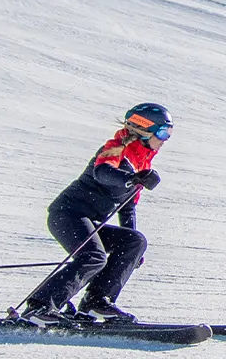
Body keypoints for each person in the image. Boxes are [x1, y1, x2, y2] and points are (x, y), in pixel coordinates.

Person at [15, 103, 170, 324]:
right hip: (67, 215)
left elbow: (127, 207)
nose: (166, 139)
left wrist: (131, 253)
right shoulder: (114, 147)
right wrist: (130, 179)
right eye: (163, 132)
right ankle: (39, 307)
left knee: (134, 241)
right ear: (145, 130)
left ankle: (96, 304)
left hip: (87, 220)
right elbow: (103, 172)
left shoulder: (141, 161)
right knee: (94, 257)